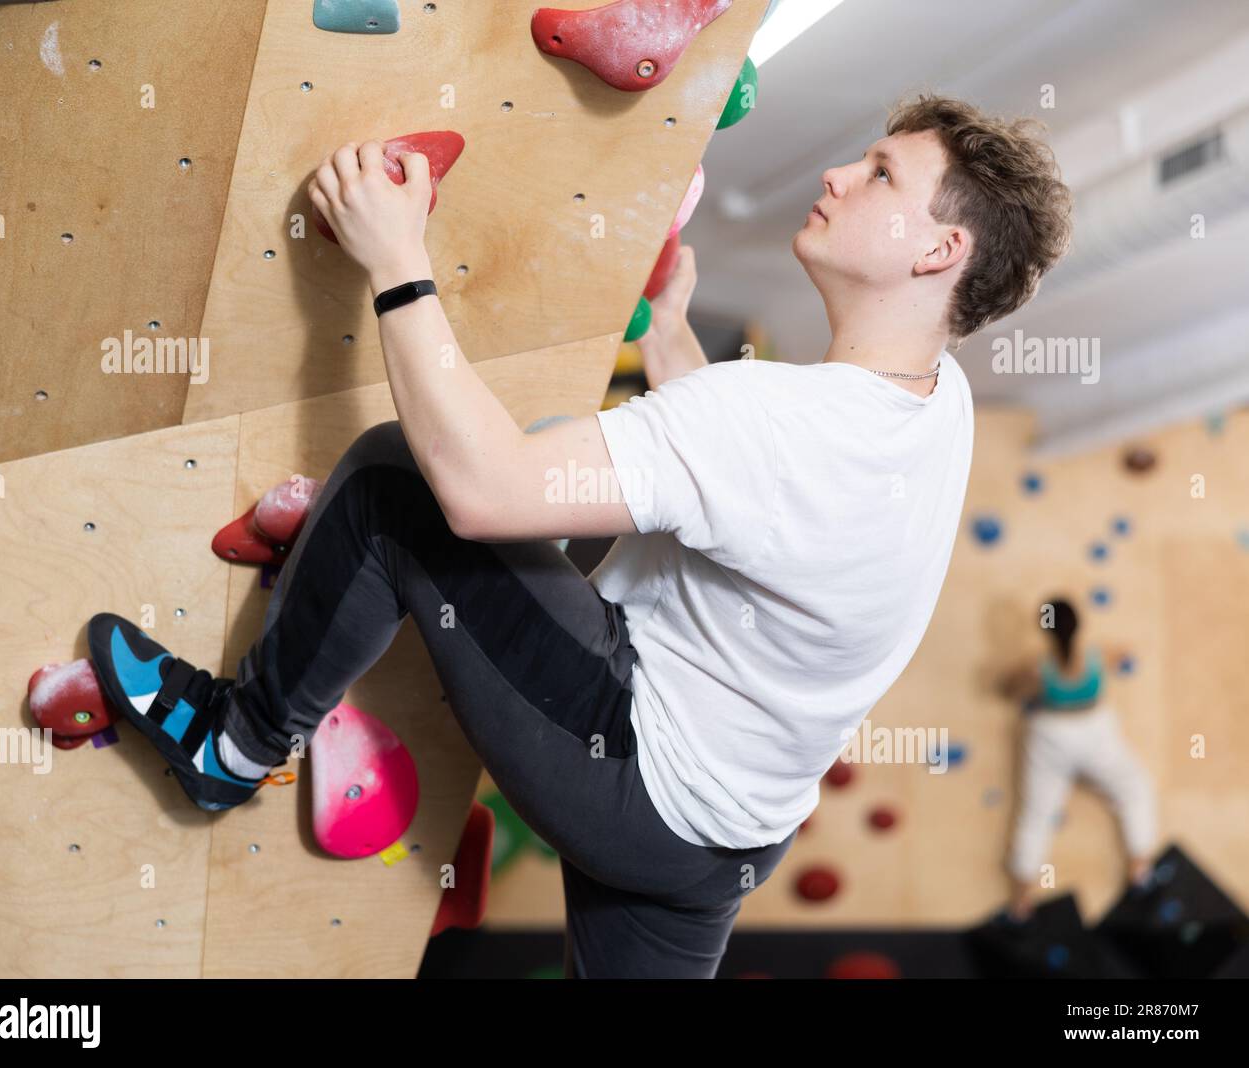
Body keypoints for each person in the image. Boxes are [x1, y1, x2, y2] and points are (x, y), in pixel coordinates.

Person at [85, 94, 1072, 978]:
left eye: (881, 174)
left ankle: (234, 743)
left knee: (401, 478)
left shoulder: (777, 419)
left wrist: (395, 263)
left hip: (638, 774)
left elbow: (482, 492)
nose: (836, 173)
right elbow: (768, 490)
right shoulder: (934, 401)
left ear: (938, 252)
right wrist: (673, 337)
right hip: (733, 839)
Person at [998, 597, 1158, 920]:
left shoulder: (1038, 666)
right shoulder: (1095, 656)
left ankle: (1021, 898)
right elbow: (1124, 653)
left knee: (1038, 812)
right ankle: (1140, 866)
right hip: (1095, 734)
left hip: (1052, 737)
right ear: (1078, 627)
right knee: (1136, 788)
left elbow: (1009, 688)